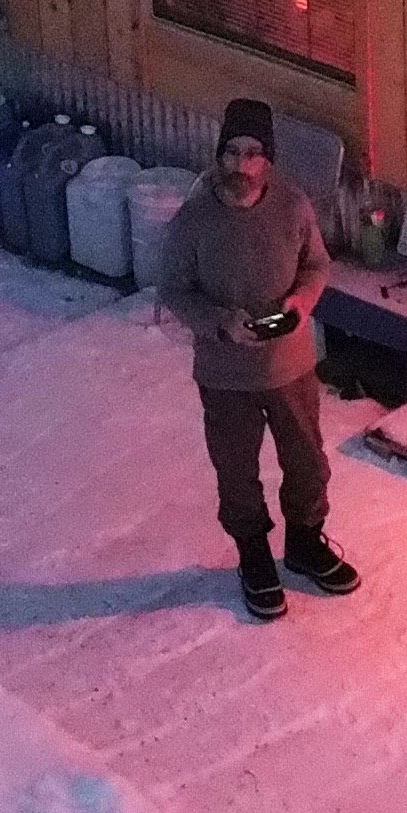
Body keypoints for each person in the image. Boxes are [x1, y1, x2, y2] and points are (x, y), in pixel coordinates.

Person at [159, 98, 359, 619]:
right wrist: (220, 323)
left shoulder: (292, 206)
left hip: (289, 367)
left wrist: (301, 302)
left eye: (253, 154)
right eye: (233, 152)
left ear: (268, 159)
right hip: (226, 375)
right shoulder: (195, 220)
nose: (243, 166)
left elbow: (316, 266)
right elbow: (174, 292)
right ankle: (253, 553)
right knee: (236, 469)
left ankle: (304, 543)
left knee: (307, 462)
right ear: (219, 155)